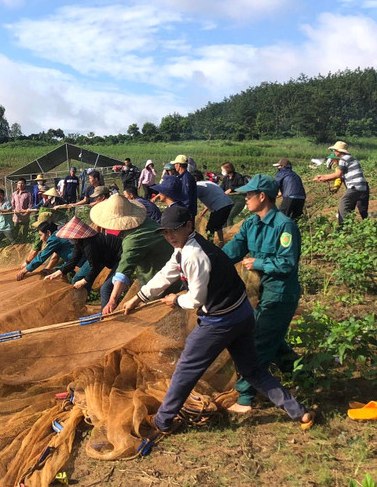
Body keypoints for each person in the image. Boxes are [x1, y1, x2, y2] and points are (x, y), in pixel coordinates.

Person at [121, 205, 314, 436]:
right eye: (165, 232)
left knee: (185, 368)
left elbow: (195, 299)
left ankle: (162, 422)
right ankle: (299, 411)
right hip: (241, 313)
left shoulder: (194, 255)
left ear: (189, 226)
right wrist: (139, 298)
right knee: (252, 370)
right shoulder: (185, 247)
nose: (169, 236)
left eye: (174, 230)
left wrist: (175, 300)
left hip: (221, 320)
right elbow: (167, 273)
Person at [221, 174, 302, 413]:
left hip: (279, 294)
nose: (245, 199)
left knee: (257, 343)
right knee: (272, 339)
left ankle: (246, 398)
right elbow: (234, 248)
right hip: (260, 292)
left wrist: (259, 263)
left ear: (262, 196)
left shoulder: (284, 226)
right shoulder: (251, 223)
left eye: (248, 195)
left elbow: (287, 264)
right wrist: (213, 263)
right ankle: (303, 374)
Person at [92, 195, 175, 316]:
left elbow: (124, 269)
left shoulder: (135, 238)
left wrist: (112, 300)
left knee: (160, 314)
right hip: (165, 269)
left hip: (164, 277)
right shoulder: (145, 222)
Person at [48, 216, 123, 307]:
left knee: (105, 289)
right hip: (109, 258)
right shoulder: (79, 242)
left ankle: (106, 315)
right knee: (101, 287)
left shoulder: (89, 244)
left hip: (122, 257)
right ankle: (83, 307)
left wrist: (83, 281)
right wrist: (58, 273)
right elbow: (73, 260)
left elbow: (94, 267)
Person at [314, 141, 370, 227]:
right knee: (350, 207)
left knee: (343, 204)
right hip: (360, 186)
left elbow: (337, 175)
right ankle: (354, 226)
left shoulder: (344, 158)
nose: (334, 152)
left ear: (339, 151)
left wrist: (323, 178)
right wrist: (324, 177)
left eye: (334, 150)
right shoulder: (349, 158)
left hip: (355, 186)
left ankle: (344, 227)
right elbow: (339, 177)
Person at [193, 171, 235, 244]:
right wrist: (204, 211)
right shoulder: (208, 182)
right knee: (218, 226)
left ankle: (210, 245)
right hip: (228, 204)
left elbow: (191, 199)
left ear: (195, 178)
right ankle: (222, 242)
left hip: (219, 206)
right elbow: (213, 196)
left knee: (210, 228)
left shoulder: (198, 186)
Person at [220, 162, 248, 227]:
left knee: (230, 216)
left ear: (228, 169)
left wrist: (231, 189)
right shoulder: (225, 178)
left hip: (239, 199)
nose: (222, 172)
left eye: (223, 170)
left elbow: (241, 187)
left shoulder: (238, 176)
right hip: (229, 200)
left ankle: (230, 232)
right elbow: (222, 187)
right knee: (224, 216)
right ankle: (224, 232)